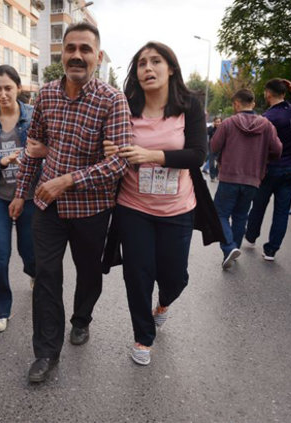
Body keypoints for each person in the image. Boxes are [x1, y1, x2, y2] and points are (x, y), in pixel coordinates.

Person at [9, 22, 132, 383]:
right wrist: (20, 194)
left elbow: (119, 162)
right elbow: (33, 148)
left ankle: (82, 318)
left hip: (91, 209)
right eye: (71, 48)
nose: (77, 55)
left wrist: (68, 180)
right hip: (47, 206)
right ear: (61, 54)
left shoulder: (112, 100)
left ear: (97, 56)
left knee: (89, 271)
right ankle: (46, 352)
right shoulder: (46, 95)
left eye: (85, 49)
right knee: (46, 275)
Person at [103, 41, 222, 366]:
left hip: (178, 208)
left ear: (170, 68)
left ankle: (164, 303)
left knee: (175, 276)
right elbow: (110, 143)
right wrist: (110, 149)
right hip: (133, 206)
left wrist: (152, 155)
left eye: (156, 61)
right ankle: (143, 337)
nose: (148, 68)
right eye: (142, 63)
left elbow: (197, 155)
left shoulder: (189, 106)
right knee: (137, 274)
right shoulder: (125, 106)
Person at [0, 65, 37, 333]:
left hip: (29, 196)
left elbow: (43, 154)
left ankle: (34, 273)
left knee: (29, 250)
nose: (3, 94)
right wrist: (1, 162)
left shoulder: (33, 116)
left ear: (18, 88)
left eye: (8, 88)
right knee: (0, 253)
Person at [210, 89, 282, 269]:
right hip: (253, 179)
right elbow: (277, 150)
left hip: (229, 177)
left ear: (236, 104)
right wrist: (263, 159)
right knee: (241, 216)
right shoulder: (267, 125)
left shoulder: (228, 123)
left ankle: (229, 247)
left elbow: (214, 146)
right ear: (253, 104)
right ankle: (232, 252)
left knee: (219, 214)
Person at [244, 78, 291, 261]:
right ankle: (271, 250)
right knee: (282, 211)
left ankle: (251, 235)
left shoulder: (268, 118)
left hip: (271, 167)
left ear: (268, 94)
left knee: (258, 204)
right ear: (284, 93)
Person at [206, 116, 222, 182]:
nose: (218, 123)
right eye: (216, 122)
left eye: (219, 122)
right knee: (211, 163)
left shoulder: (223, 129)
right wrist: (212, 126)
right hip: (212, 147)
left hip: (220, 148)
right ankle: (212, 176)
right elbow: (207, 132)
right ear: (214, 122)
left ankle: (216, 174)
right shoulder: (211, 128)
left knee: (219, 163)